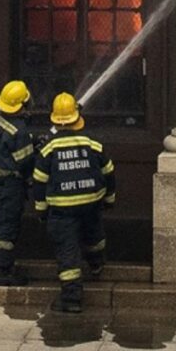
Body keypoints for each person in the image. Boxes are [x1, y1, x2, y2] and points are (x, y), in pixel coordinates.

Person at [29, 92, 115, 313]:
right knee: (94, 236)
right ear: (77, 118)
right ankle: (96, 265)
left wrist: (41, 210)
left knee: (67, 249)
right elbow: (108, 172)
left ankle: (71, 298)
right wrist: (109, 199)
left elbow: (39, 182)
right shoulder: (93, 144)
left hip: (62, 210)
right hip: (91, 204)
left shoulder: (48, 149)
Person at [0, 80, 37, 284]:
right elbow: (25, 162)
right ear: (22, 104)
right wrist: (35, 150)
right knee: (8, 227)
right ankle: (3, 271)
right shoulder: (18, 131)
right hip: (9, 185)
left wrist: (30, 141)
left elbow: (2, 145)